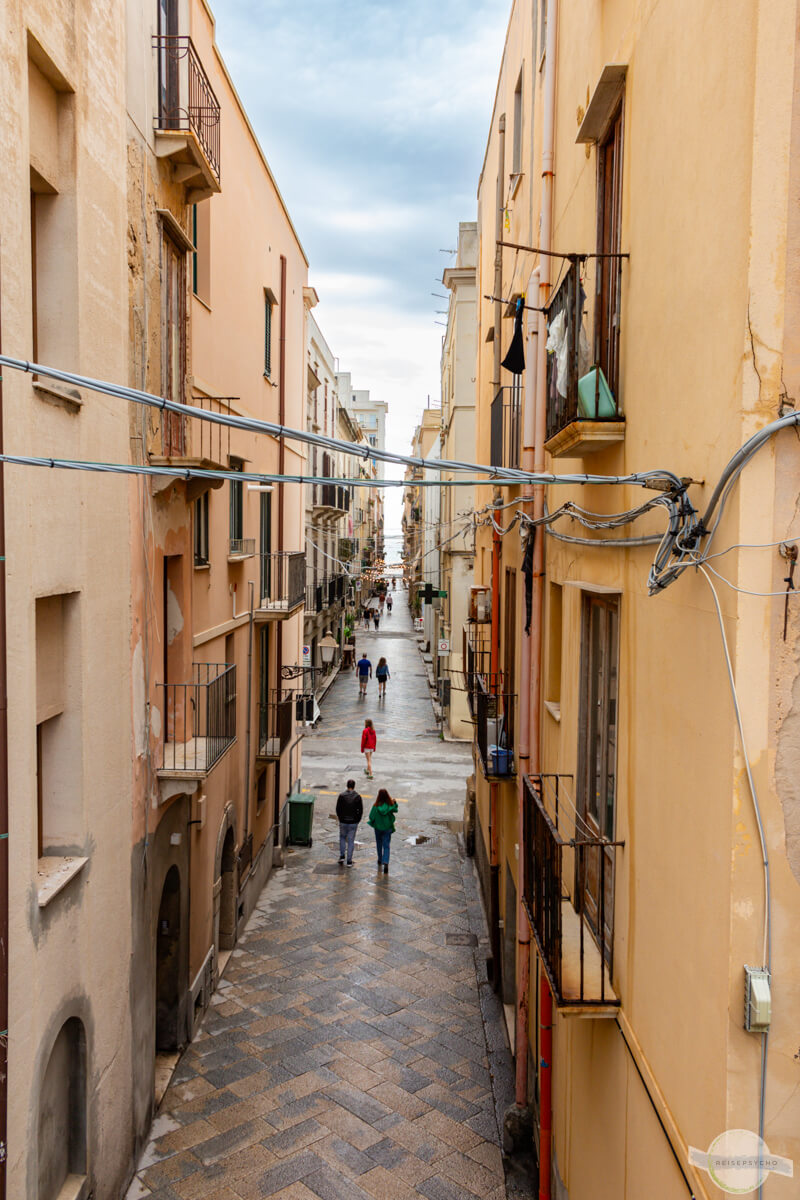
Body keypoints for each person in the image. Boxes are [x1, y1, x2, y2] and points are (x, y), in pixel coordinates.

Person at [368, 788, 398, 875]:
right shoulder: (390, 805)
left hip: (378, 828)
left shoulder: (376, 806)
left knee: (379, 843)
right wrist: (395, 802)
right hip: (387, 828)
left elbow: (371, 816)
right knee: (386, 845)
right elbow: (396, 810)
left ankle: (380, 859)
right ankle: (386, 862)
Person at [335, 778, 363, 867]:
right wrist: (357, 820)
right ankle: (349, 861)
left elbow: (338, 809)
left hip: (343, 821)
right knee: (351, 841)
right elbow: (360, 810)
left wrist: (340, 817)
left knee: (342, 838)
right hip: (353, 822)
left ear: (347, 786)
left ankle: (342, 856)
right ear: (354, 786)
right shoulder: (357, 796)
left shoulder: (342, 796)